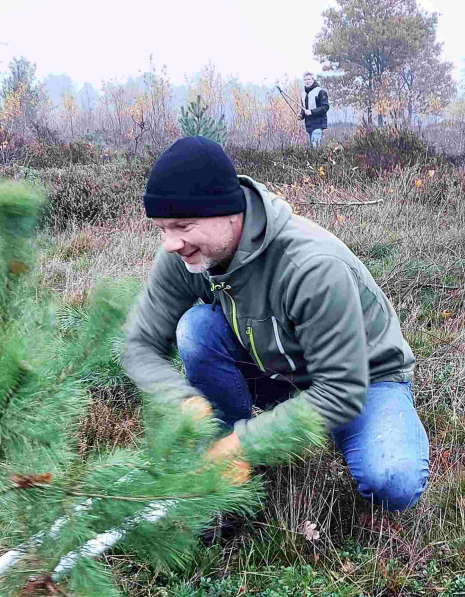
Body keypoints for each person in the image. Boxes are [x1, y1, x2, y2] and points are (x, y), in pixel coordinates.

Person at [123, 136, 429, 513]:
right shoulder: (187, 255)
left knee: (392, 481)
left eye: (183, 225)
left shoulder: (311, 266)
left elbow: (341, 389)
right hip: (276, 363)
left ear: (229, 212)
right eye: (162, 228)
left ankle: (248, 447)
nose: (171, 243)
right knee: (196, 328)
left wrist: (245, 445)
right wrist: (182, 401)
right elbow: (138, 344)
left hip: (362, 379)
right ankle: (223, 466)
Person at [299, 72, 329, 148]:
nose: (307, 81)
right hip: (308, 125)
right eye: (305, 80)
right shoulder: (303, 94)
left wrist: (312, 112)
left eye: (309, 79)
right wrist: (301, 115)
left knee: (316, 148)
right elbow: (304, 109)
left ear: (313, 80)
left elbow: (325, 107)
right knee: (312, 149)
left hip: (318, 124)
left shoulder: (320, 91)